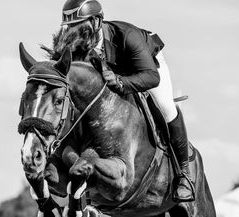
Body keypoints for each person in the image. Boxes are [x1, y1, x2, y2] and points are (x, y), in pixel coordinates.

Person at [61, 0, 194, 202]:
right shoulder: (77, 45)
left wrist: (121, 83)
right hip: (114, 74)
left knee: (166, 107)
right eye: (70, 27)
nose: (75, 32)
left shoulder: (127, 36)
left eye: (79, 26)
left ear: (97, 22)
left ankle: (184, 175)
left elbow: (151, 77)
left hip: (147, 67)